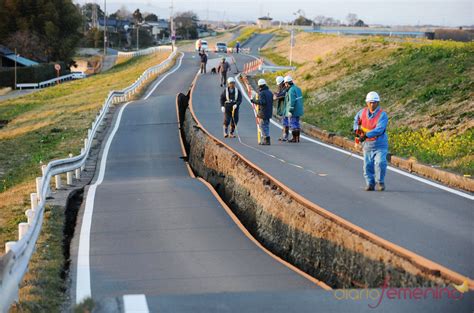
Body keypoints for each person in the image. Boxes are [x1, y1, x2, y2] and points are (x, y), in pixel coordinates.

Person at [353, 91, 389, 191]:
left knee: (380, 163)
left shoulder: (382, 115)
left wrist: (366, 135)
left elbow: (379, 129)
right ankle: (370, 183)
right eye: (370, 102)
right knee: (367, 165)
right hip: (367, 145)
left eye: (374, 102)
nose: (372, 104)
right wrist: (356, 130)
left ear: (378, 103)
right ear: (367, 103)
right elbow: (356, 121)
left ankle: (380, 182)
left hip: (380, 144)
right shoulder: (362, 112)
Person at [251, 79, 274, 145]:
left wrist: (254, 101)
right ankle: (266, 139)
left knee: (263, 126)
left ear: (259, 86)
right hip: (269, 111)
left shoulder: (262, 93)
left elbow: (262, 102)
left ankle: (266, 140)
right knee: (266, 125)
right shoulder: (269, 92)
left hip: (263, 112)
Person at [284, 76, 304, 143]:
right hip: (299, 109)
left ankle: (294, 138)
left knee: (293, 124)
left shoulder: (291, 90)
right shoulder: (298, 88)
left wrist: (290, 111)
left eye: (285, 83)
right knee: (297, 124)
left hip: (294, 110)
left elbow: (292, 101)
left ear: (287, 83)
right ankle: (297, 138)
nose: (285, 85)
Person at [274, 76, 289, 141]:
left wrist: (276, 95)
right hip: (283, 107)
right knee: (284, 122)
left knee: (285, 122)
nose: (279, 85)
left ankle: (285, 136)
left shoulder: (286, 88)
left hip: (285, 107)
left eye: (279, 84)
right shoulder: (282, 88)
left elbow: (281, 95)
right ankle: (284, 136)